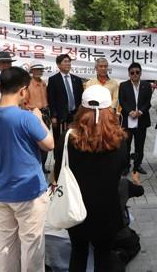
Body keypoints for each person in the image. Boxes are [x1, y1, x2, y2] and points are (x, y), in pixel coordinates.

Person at [0, 67, 54, 271]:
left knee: (6, 240)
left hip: (2, 189)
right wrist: (39, 119)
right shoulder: (27, 117)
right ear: (23, 90)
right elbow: (49, 144)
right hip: (28, 192)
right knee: (32, 242)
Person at [53, 85, 128, 271]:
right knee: (104, 255)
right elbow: (123, 169)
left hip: (75, 209)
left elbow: (58, 169)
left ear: (81, 108)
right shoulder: (119, 138)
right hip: (108, 210)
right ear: (109, 109)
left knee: (78, 252)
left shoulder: (68, 137)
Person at [118, 62, 153, 175]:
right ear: (129, 74)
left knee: (140, 145)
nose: (135, 74)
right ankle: (126, 166)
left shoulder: (146, 86)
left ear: (141, 73)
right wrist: (130, 112)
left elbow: (149, 101)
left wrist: (141, 112)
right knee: (126, 145)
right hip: (128, 120)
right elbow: (122, 101)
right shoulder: (123, 85)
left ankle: (137, 166)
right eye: (132, 72)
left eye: (137, 72)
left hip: (141, 120)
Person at [47, 54, 84, 156]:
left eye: (69, 61)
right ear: (58, 65)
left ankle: (73, 158)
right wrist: (53, 116)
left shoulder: (76, 79)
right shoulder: (53, 80)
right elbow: (51, 99)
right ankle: (58, 160)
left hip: (75, 114)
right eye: (65, 61)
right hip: (60, 115)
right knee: (59, 138)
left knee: (74, 137)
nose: (68, 64)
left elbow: (81, 98)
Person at [25, 61, 51, 174]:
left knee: (44, 140)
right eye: (36, 69)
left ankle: (43, 165)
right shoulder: (28, 84)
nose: (39, 71)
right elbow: (24, 102)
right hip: (33, 114)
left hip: (45, 114)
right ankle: (35, 166)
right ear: (32, 71)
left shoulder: (43, 83)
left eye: (40, 70)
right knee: (34, 142)